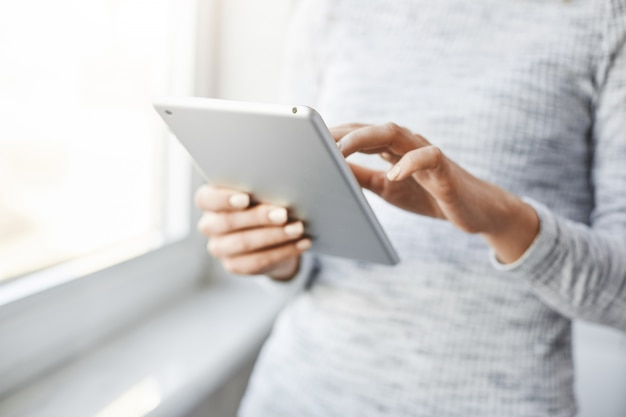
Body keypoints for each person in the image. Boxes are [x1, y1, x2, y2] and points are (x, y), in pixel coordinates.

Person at [194, 1, 626, 416]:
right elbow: (305, 235)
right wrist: (277, 252)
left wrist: (502, 218)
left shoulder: (605, 16)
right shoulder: (333, 7)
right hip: (298, 393)